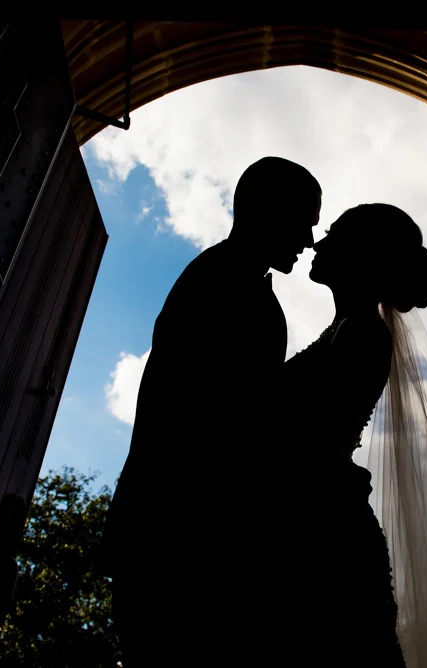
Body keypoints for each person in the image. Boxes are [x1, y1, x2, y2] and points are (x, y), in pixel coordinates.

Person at [96, 157, 322, 667]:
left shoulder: (235, 280)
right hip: (183, 541)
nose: (309, 238)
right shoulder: (225, 284)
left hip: (180, 537)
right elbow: (220, 425)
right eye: (305, 219)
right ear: (267, 209)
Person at [277, 204, 427, 667]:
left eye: (334, 234)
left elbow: (304, 443)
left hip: (321, 538)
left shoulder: (363, 336)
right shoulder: (343, 330)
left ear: (363, 252)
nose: (319, 243)